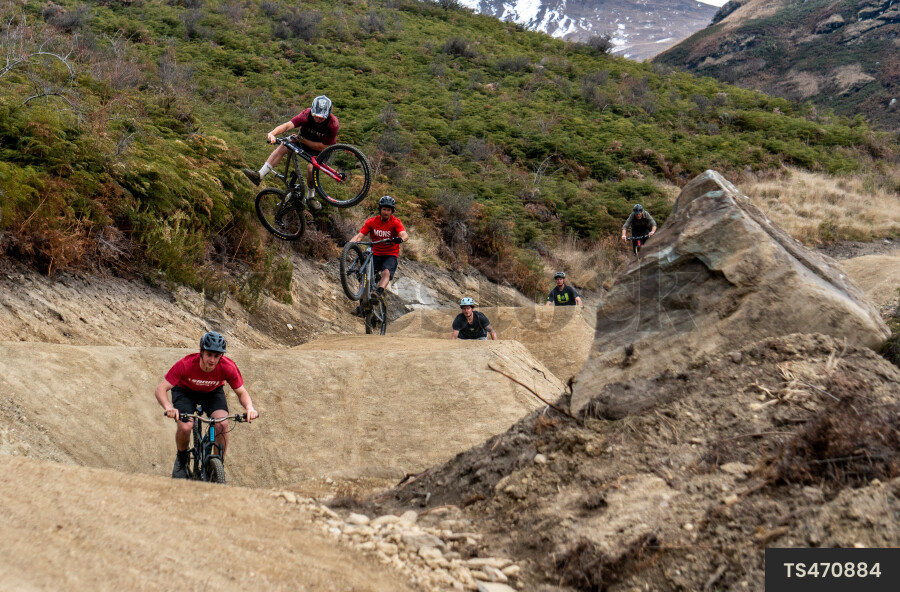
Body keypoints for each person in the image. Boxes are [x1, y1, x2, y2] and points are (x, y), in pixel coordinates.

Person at [154, 331, 258, 479]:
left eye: (217, 356)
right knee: (186, 426)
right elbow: (161, 389)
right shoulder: (186, 364)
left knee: (222, 424)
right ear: (201, 352)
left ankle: (217, 466)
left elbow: (241, 392)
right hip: (185, 392)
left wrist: (249, 408)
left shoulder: (227, 366)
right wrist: (168, 407)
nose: (212, 360)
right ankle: (181, 460)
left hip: (212, 393)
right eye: (209, 354)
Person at [242, 95, 339, 211]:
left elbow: (322, 146)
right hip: (302, 141)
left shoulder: (333, 124)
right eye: (316, 116)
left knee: (311, 168)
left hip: (322, 149)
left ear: (328, 115)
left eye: (321, 118)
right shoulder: (306, 115)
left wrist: (302, 140)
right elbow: (288, 125)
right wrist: (272, 133)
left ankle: (311, 197)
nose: (318, 119)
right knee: (284, 145)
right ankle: (259, 175)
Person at [348, 195, 409, 301]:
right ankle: (362, 305)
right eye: (384, 209)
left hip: (390, 254)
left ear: (392, 211)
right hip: (374, 254)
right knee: (364, 278)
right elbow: (359, 236)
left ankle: (378, 293)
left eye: (388, 210)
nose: (386, 212)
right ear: (380, 209)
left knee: (386, 272)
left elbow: (404, 235)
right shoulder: (371, 222)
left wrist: (401, 239)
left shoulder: (395, 222)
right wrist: (348, 245)